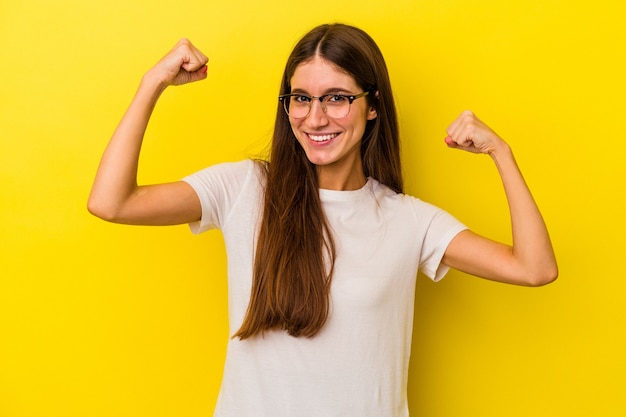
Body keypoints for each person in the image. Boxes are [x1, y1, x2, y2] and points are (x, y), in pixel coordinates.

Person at [88, 23, 557, 417]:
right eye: (300, 98)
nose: (315, 118)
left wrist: (501, 153)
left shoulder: (408, 220)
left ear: (372, 106)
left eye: (336, 98)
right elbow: (112, 202)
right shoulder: (244, 189)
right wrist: (153, 82)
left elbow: (534, 269)